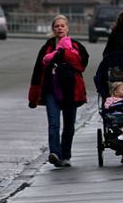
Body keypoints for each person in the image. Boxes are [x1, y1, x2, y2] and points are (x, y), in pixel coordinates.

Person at [28, 15, 89, 168]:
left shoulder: (76, 46)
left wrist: (63, 52)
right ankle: (55, 153)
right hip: (51, 91)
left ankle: (66, 155)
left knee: (69, 125)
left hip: (71, 91)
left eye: (62, 26)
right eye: (57, 26)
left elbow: (81, 65)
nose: (60, 28)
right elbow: (38, 71)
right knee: (54, 124)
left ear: (67, 28)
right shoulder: (46, 48)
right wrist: (33, 96)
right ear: (53, 29)